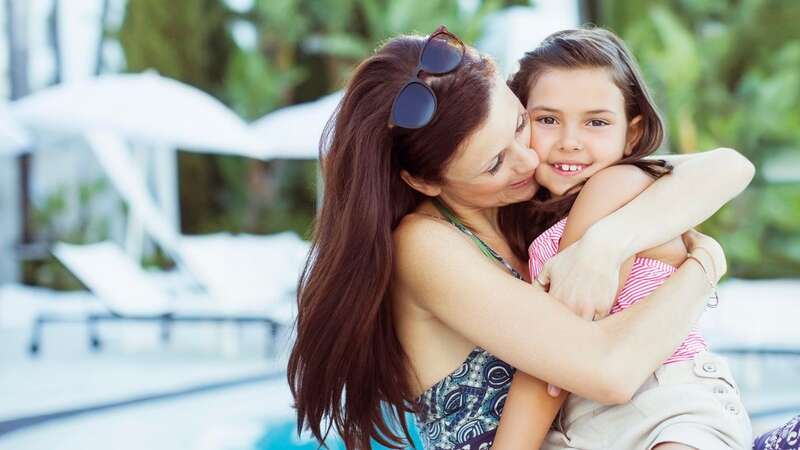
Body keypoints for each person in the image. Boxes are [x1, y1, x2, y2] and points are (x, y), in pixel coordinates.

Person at [287, 26, 756, 450]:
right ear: (424, 182)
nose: (529, 161)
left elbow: (727, 168)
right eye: (494, 163)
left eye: (519, 126)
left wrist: (606, 243)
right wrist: (705, 263)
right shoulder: (424, 245)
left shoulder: (532, 212)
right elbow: (609, 370)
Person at [492, 28, 750, 450]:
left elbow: (556, 345)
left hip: (666, 401)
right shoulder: (547, 216)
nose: (570, 142)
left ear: (632, 134)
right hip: (583, 416)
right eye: (547, 120)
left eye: (596, 122)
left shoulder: (612, 186)